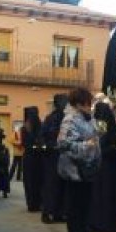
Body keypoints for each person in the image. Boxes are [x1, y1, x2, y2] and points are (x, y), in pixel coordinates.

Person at [57, 87, 101, 232]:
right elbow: (63, 144)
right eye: (87, 103)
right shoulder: (70, 119)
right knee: (75, 208)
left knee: (85, 206)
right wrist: (86, 146)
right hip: (75, 170)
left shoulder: (88, 118)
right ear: (78, 103)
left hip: (88, 169)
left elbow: (93, 137)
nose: (90, 106)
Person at [89, 101, 116, 232]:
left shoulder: (95, 123)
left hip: (98, 164)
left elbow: (98, 142)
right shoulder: (111, 124)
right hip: (108, 165)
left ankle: (95, 223)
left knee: (97, 194)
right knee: (106, 194)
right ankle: (106, 224)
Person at [40, 94, 68, 224]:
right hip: (52, 156)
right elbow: (42, 137)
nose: (65, 103)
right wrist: (51, 145)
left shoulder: (67, 118)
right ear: (57, 103)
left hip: (64, 155)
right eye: (63, 101)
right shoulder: (50, 118)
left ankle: (59, 213)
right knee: (51, 185)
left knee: (62, 186)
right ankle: (46, 213)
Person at [21, 107, 44, 212]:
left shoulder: (25, 128)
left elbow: (25, 144)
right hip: (39, 158)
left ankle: (31, 204)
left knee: (29, 181)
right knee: (38, 181)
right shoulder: (40, 126)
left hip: (28, 158)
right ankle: (38, 203)